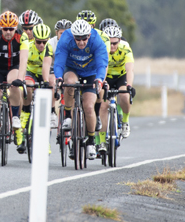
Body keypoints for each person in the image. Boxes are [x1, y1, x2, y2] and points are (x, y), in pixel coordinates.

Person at [52, 18, 108, 160]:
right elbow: (59, 62)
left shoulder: (96, 40)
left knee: (88, 107)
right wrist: (59, 78)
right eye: (78, 39)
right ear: (73, 36)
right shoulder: (66, 38)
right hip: (72, 69)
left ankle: (91, 141)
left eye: (84, 39)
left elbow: (102, 64)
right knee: (69, 83)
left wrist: (99, 79)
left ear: (89, 35)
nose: (81, 42)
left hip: (91, 72)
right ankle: (68, 115)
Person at [0, 10, 29, 157]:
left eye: (11, 29)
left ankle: (15, 117)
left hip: (13, 67)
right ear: (0, 28)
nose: (8, 32)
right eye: (5, 29)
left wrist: (20, 78)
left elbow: (23, 61)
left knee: (14, 83)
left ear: (16, 28)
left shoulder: (22, 37)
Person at [17, 22, 54, 154]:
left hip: (44, 73)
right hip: (30, 72)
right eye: (38, 42)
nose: (41, 45)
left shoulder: (49, 48)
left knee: (52, 83)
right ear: (34, 39)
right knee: (28, 86)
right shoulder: (28, 46)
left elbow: (46, 65)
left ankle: (46, 141)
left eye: (44, 42)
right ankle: (26, 111)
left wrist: (46, 82)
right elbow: (22, 63)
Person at [101, 21, 135, 139]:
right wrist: (102, 82)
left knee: (125, 95)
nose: (112, 46)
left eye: (115, 43)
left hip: (121, 76)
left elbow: (130, 69)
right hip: (106, 76)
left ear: (119, 40)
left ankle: (125, 121)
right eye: (109, 43)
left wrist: (129, 86)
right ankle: (101, 139)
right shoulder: (102, 48)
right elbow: (101, 67)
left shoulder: (125, 48)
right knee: (103, 105)